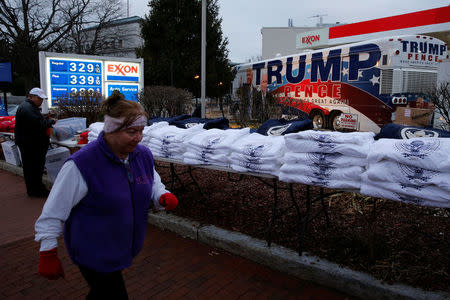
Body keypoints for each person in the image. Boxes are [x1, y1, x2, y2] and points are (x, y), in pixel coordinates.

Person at [34, 92, 179, 299]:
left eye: (141, 130)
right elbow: (54, 210)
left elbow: (151, 180)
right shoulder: (82, 164)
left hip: (122, 247)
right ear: (111, 129)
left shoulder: (142, 155)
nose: (138, 137)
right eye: (131, 131)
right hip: (93, 251)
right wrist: (47, 250)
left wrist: (161, 195)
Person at [14, 87, 55, 197]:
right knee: (34, 168)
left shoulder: (29, 107)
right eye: (39, 98)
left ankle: (36, 188)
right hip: (31, 145)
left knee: (33, 168)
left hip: (29, 143)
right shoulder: (28, 108)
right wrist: (50, 121)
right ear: (31, 97)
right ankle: (36, 191)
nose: (41, 101)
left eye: (42, 99)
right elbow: (38, 125)